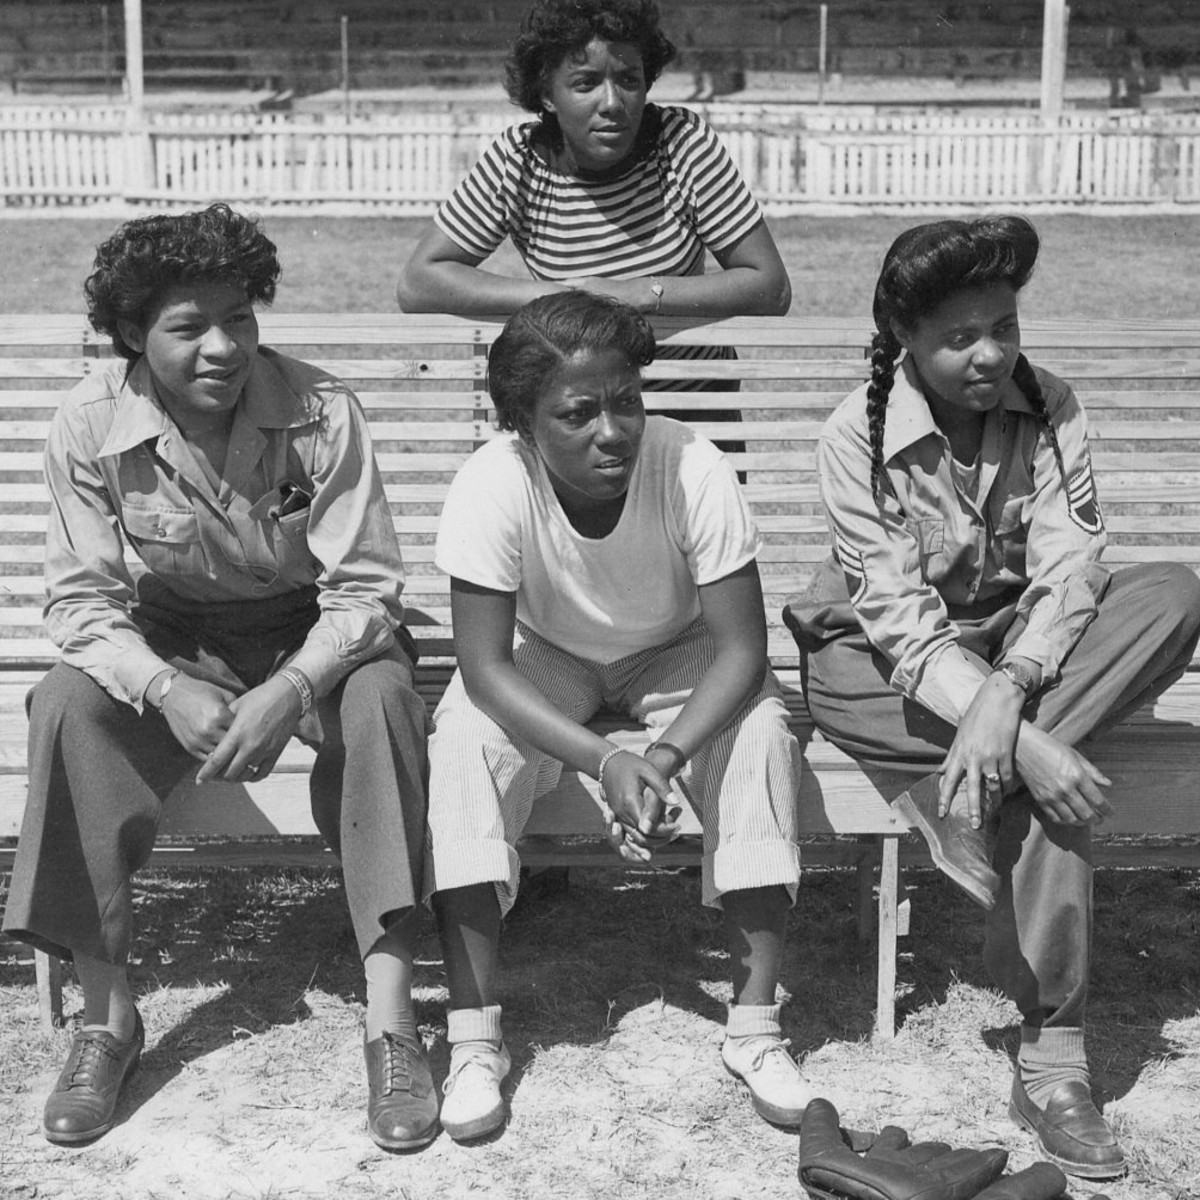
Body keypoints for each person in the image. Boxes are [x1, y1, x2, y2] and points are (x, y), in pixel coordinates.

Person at [2, 205, 437, 1154]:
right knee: (67, 704)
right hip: (177, 637)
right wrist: (164, 688)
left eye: (238, 318)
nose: (222, 347)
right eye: (187, 327)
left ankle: (392, 1020)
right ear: (130, 335)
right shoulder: (87, 424)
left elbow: (365, 589)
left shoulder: (322, 410)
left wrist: (287, 692)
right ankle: (108, 1019)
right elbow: (81, 607)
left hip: (313, 633)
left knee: (386, 701)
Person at [784, 215, 1200, 1180]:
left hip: (1023, 657)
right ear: (904, 337)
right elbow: (896, 623)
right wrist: (1040, 746)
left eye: (1003, 327)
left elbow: (1072, 570)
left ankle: (986, 791)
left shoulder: (1051, 406)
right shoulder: (855, 434)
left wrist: (1011, 700)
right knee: (1054, 787)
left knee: (1173, 592)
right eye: (959, 337)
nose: (989, 354)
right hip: (881, 669)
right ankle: (1056, 1061)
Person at [422, 290, 807, 1142]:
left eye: (626, 400)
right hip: (543, 655)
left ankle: (753, 1027)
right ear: (523, 422)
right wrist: (604, 760)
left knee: (761, 730)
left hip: (678, 649)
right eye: (577, 413)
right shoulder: (492, 481)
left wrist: (663, 757)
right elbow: (484, 668)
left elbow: (742, 651)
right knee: (466, 742)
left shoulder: (691, 464)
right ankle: (475, 1041)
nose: (612, 430)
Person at [395, 0, 791, 433]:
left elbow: (770, 286)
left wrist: (637, 294)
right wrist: (566, 300)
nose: (613, 103)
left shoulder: (680, 144)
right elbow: (419, 283)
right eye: (585, 83)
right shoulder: (520, 160)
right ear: (547, 94)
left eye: (628, 80)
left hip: (690, 411)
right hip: (580, 419)